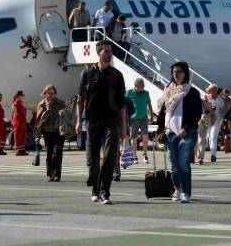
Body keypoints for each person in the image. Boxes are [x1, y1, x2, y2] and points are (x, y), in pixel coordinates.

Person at [76, 40, 126, 205]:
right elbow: (81, 99)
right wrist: (78, 121)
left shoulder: (117, 75)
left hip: (112, 119)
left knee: (110, 155)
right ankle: (95, 189)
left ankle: (105, 192)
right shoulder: (87, 73)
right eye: (106, 51)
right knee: (92, 156)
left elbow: (121, 103)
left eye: (110, 51)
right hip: (92, 120)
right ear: (98, 53)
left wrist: (124, 126)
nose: (109, 54)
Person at [155, 62, 201, 203]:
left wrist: (186, 128)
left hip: (187, 132)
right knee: (173, 165)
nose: (176, 74)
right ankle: (177, 189)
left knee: (183, 163)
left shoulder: (192, 91)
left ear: (185, 73)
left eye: (179, 71)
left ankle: (186, 192)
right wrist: (159, 129)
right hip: (170, 132)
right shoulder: (168, 90)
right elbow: (163, 112)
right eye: (174, 72)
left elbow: (197, 113)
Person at [34, 85, 67, 182]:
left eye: (52, 93)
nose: (50, 95)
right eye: (48, 93)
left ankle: (57, 175)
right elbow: (39, 121)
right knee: (49, 154)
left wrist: (63, 113)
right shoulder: (41, 104)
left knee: (57, 153)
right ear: (44, 94)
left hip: (58, 131)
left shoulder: (60, 103)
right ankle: (50, 174)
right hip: (47, 131)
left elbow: (65, 116)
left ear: (55, 94)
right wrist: (38, 136)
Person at [126, 78, 153, 164]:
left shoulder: (146, 93)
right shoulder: (129, 92)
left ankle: (145, 154)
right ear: (136, 86)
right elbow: (124, 104)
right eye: (141, 87)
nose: (143, 88)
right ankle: (134, 156)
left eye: (143, 86)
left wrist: (151, 115)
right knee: (133, 137)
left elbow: (149, 104)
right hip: (133, 118)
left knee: (145, 136)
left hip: (144, 117)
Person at [207, 85, 227, 163]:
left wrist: (223, 117)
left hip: (217, 120)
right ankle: (212, 152)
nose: (215, 92)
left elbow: (223, 108)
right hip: (208, 120)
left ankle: (213, 155)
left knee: (213, 136)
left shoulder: (219, 98)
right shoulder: (206, 97)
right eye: (213, 90)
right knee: (209, 137)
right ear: (210, 91)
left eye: (215, 90)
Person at [195, 86, 215, 165]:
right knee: (202, 140)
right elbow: (210, 111)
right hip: (205, 120)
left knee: (196, 140)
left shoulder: (193, 102)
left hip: (197, 122)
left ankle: (198, 157)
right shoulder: (204, 101)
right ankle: (200, 158)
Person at [11, 91, 28, 156]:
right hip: (19, 121)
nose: (23, 96)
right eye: (22, 95)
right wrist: (16, 113)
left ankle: (22, 150)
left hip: (22, 122)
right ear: (18, 96)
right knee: (18, 135)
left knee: (23, 136)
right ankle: (18, 150)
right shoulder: (17, 101)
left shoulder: (20, 103)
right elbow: (13, 106)